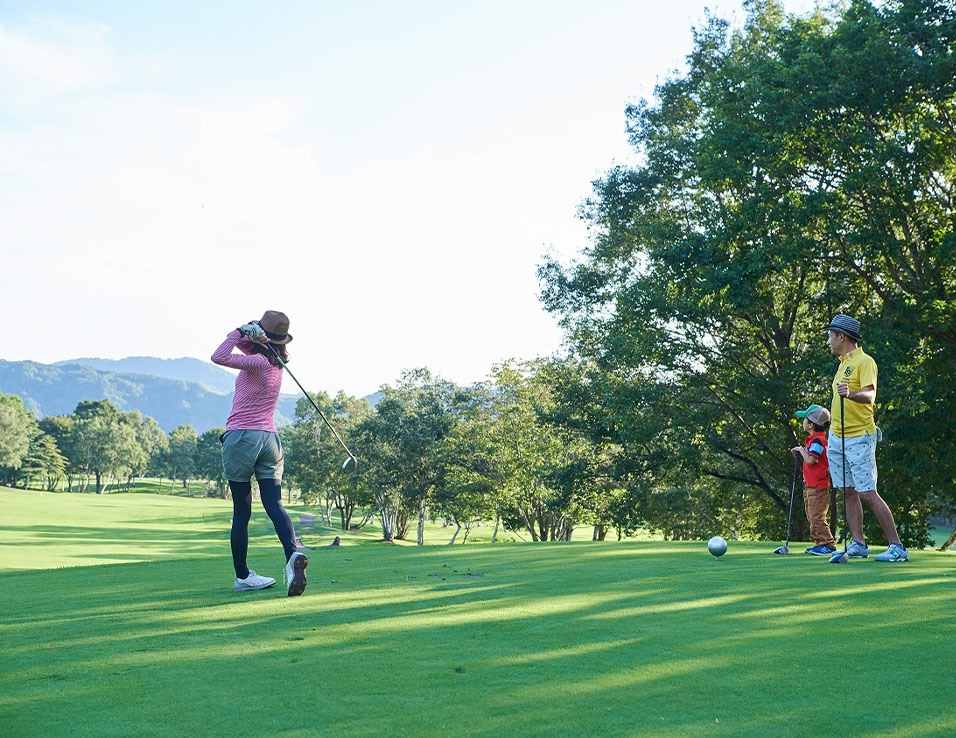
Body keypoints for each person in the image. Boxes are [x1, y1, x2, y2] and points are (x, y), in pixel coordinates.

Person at [211, 310, 310, 593]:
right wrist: (251, 333)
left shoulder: (255, 362)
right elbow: (251, 347)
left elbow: (218, 356)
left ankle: (243, 576)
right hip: (270, 441)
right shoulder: (275, 363)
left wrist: (238, 331)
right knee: (274, 505)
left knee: (241, 512)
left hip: (243, 438)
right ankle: (292, 558)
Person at [825, 314, 907, 562]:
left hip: (859, 436)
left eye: (830, 335)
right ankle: (858, 544)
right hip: (837, 437)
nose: (828, 341)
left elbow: (870, 396)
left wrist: (849, 393)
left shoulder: (865, 361)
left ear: (842, 336)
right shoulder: (842, 364)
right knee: (847, 491)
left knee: (867, 492)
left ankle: (897, 547)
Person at [791, 404, 836, 555]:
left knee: (817, 516)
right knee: (811, 515)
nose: (803, 422)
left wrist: (800, 450)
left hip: (817, 486)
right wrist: (801, 451)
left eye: (804, 419)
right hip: (810, 485)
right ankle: (819, 543)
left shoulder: (817, 441)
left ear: (810, 424)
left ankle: (828, 544)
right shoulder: (813, 440)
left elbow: (811, 460)